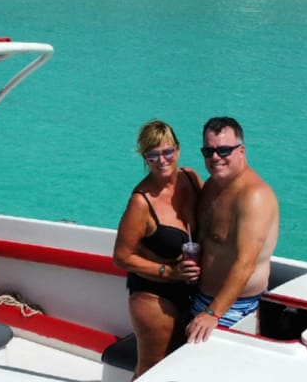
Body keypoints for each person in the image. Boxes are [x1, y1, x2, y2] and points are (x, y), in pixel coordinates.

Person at [114, 120, 203, 378]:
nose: (161, 160)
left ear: (178, 149)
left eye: (167, 152)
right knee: (151, 371)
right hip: (153, 295)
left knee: (179, 367)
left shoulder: (190, 178)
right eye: (152, 155)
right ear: (145, 158)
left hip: (190, 291)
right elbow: (121, 256)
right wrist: (168, 272)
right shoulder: (141, 202)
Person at [185, 116, 279, 343]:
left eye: (224, 150)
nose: (215, 157)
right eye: (208, 152)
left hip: (233, 308)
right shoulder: (212, 186)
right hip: (201, 299)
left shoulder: (254, 196)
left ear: (241, 151)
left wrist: (213, 313)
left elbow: (245, 263)